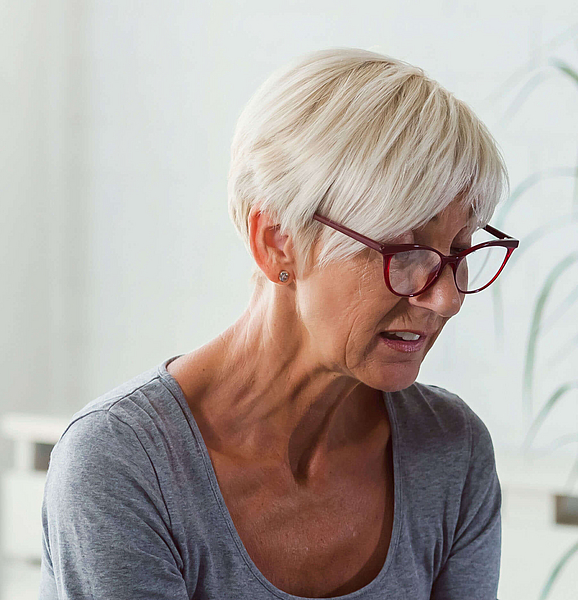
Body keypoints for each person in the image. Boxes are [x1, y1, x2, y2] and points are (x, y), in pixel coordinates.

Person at [38, 48, 513, 600]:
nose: (447, 298)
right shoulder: (125, 467)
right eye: (405, 252)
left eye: (458, 252)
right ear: (276, 240)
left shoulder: (451, 451)